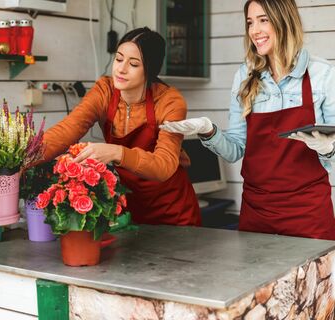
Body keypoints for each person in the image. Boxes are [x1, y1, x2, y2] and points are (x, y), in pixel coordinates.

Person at [160, 0, 335, 240]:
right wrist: (208, 131)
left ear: (284, 20)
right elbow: (235, 150)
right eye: (250, 22)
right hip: (258, 210)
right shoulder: (245, 76)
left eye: (263, 20)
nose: (254, 31)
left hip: (308, 211)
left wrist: (328, 149)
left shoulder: (321, 74)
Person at [42, 27, 201, 226]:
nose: (121, 69)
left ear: (150, 69)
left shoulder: (170, 102)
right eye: (118, 59)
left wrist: (117, 153)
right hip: (128, 209)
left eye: (133, 64)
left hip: (173, 212)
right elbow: (67, 130)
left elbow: (164, 165)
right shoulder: (105, 91)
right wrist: (21, 161)